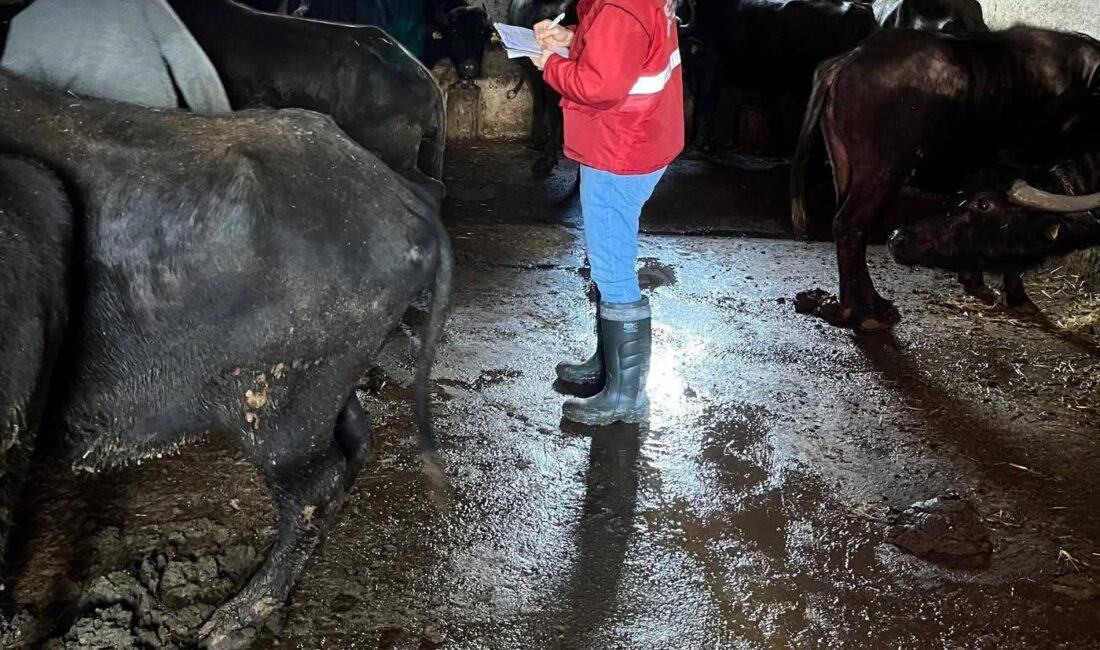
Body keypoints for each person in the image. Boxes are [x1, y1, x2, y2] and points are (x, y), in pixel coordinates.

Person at [532, 0, 683, 426]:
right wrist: (570, 38)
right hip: (638, 136)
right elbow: (617, 47)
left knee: (612, 266)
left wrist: (551, 65)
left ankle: (625, 398)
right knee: (609, 261)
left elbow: (600, 85)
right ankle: (609, 365)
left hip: (620, 148)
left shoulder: (621, 5)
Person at [1, 0, 230, 113]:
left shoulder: (28, 21)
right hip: (153, 123)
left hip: (82, 136)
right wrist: (220, 124)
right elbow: (191, 64)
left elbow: (11, 95)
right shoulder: (143, 2)